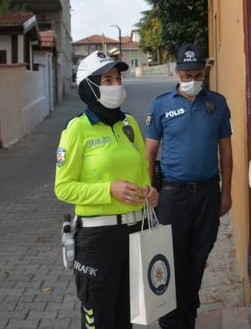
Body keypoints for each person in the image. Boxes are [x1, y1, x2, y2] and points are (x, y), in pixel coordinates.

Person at [54, 50, 158, 329]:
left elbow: (141, 172)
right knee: (99, 320)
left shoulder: (129, 124)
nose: (116, 85)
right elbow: (63, 188)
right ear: (90, 86)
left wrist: (149, 191)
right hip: (97, 239)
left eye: (118, 78)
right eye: (107, 80)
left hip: (135, 233)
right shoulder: (76, 129)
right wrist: (108, 190)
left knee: (126, 319)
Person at [145, 43, 233, 329]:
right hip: (172, 197)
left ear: (204, 72)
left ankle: (188, 317)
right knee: (172, 262)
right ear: (176, 72)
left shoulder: (217, 104)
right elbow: (149, 154)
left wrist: (226, 192)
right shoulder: (161, 104)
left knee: (197, 260)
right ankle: (171, 321)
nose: (191, 81)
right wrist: (150, 192)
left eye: (197, 74)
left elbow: (226, 152)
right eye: (185, 75)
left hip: (208, 193)